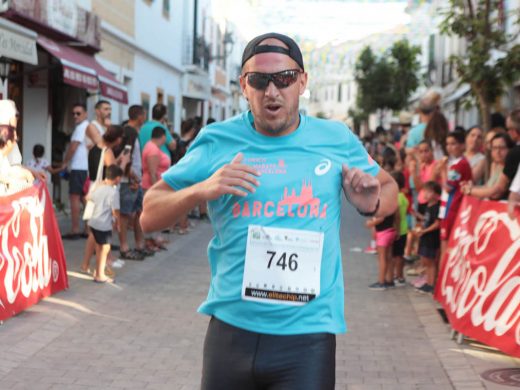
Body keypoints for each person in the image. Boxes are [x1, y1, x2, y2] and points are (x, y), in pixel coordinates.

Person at [140, 32, 398, 389]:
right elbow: (149, 214)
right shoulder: (218, 139)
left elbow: (388, 190)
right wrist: (202, 189)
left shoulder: (335, 138)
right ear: (244, 86)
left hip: (307, 338)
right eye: (259, 81)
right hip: (231, 330)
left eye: (285, 79)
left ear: (303, 82)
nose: (272, 91)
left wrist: (369, 202)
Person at [115, 105, 152, 261]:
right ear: (139, 116)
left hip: (134, 179)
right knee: (124, 215)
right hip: (128, 181)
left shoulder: (132, 131)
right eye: (144, 115)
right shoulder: (129, 132)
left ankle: (139, 245)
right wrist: (132, 177)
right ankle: (124, 247)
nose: (145, 118)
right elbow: (125, 155)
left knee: (138, 213)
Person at [462, 109, 520, 200]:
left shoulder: (514, 155)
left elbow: (497, 190)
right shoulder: (494, 165)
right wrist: (473, 189)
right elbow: (489, 186)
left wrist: (471, 191)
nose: (497, 152)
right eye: (494, 148)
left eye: (501, 148)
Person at [438, 130, 472, 262]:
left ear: (462, 145)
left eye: (453, 143)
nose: (450, 147)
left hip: (452, 209)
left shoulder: (460, 164)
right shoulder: (454, 163)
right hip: (448, 208)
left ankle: (442, 281)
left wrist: (442, 170)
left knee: (446, 248)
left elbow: (447, 187)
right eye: (448, 144)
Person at [86, 164, 123, 283]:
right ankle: (100, 275)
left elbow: (88, 198)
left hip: (93, 222)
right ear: (117, 178)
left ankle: (98, 271)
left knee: (99, 248)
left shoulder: (100, 188)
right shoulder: (113, 192)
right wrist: (118, 223)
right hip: (104, 224)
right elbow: (115, 210)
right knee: (105, 248)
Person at [60, 103, 91, 239]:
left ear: (85, 114)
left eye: (78, 113)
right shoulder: (89, 127)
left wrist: (65, 162)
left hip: (78, 167)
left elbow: (73, 147)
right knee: (85, 198)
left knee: (75, 197)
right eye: (73, 113)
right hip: (86, 168)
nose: (75, 116)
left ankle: (75, 229)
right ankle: (88, 228)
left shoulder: (81, 128)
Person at [413, 181, 441, 294]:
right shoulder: (428, 206)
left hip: (431, 238)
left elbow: (437, 223)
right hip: (425, 236)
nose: (425, 194)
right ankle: (428, 282)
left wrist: (424, 230)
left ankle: (431, 284)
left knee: (430, 262)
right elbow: (427, 219)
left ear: (436, 194)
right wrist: (418, 216)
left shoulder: (436, 207)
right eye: (425, 191)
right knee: (425, 260)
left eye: (429, 191)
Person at [391, 171, 408, 287]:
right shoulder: (403, 197)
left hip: (397, 230)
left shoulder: (396, 198)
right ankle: (400, 275)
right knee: (400, 254)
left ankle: (397, 275)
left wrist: (395, 230)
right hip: (404, 229)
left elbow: (396, 216)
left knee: (395, 255)